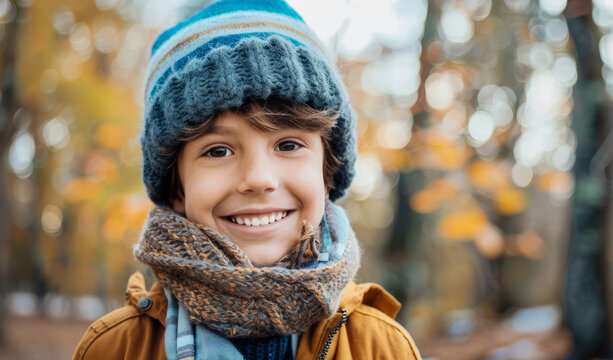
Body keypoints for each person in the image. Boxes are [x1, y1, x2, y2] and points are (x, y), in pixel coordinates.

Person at [72, 0, 421, 359]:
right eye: (218, 151)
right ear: (176, 188)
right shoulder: (116, 348)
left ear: (327, 172)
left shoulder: (383, 347)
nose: (258, 179)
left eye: (287, 144)